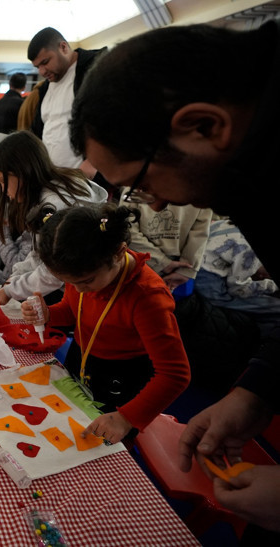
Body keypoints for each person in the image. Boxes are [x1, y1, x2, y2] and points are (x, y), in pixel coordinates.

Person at [68, 20, 280, 535]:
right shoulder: (245, 160)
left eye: (141, 183)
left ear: (203, 126)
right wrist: (255, 391)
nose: (157, 204)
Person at [23, 204, 191, 444]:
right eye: (68, 282)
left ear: (118, 253)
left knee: (104, 443)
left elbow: (175, 374)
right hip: (82, 358)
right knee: (67, 431)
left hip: (121, 378)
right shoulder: (82, 269)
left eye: (86, 282)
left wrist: (126, 418)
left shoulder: (147, 297)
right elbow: (73, 310)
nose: (79, 289)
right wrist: (48, 315)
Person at [0, 131, 107, 303]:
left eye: (1, 180)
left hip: (90, 291)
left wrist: (11, 289)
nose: (3, 189)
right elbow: (39, 253)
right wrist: (13, 280)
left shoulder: (55, 205)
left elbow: (54, 270)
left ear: (21, 172)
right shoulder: (52, 190)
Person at [27, 28, 105, 170]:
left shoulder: (97, 68)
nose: (42, 71)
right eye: (37, 67)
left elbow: (113, 120)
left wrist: (93, 165)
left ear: (63, 47)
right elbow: (38, 132)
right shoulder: (45, 88)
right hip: (52, 176)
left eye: (45, 62)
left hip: (88, 177)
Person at [195, 219, 280, 336]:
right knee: (275, 308)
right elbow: (238, 290)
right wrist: (272, 286)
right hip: (206, 279)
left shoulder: (227, 222)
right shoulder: (250, 251)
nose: (263, 276)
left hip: (197, 264)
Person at [121, 191, 212, 291]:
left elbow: (127, 229)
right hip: (172, 265)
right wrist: (187, 269)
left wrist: (162, 262)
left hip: (141, 259)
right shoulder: (200, 189)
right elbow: (200, 233)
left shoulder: (137, 185)